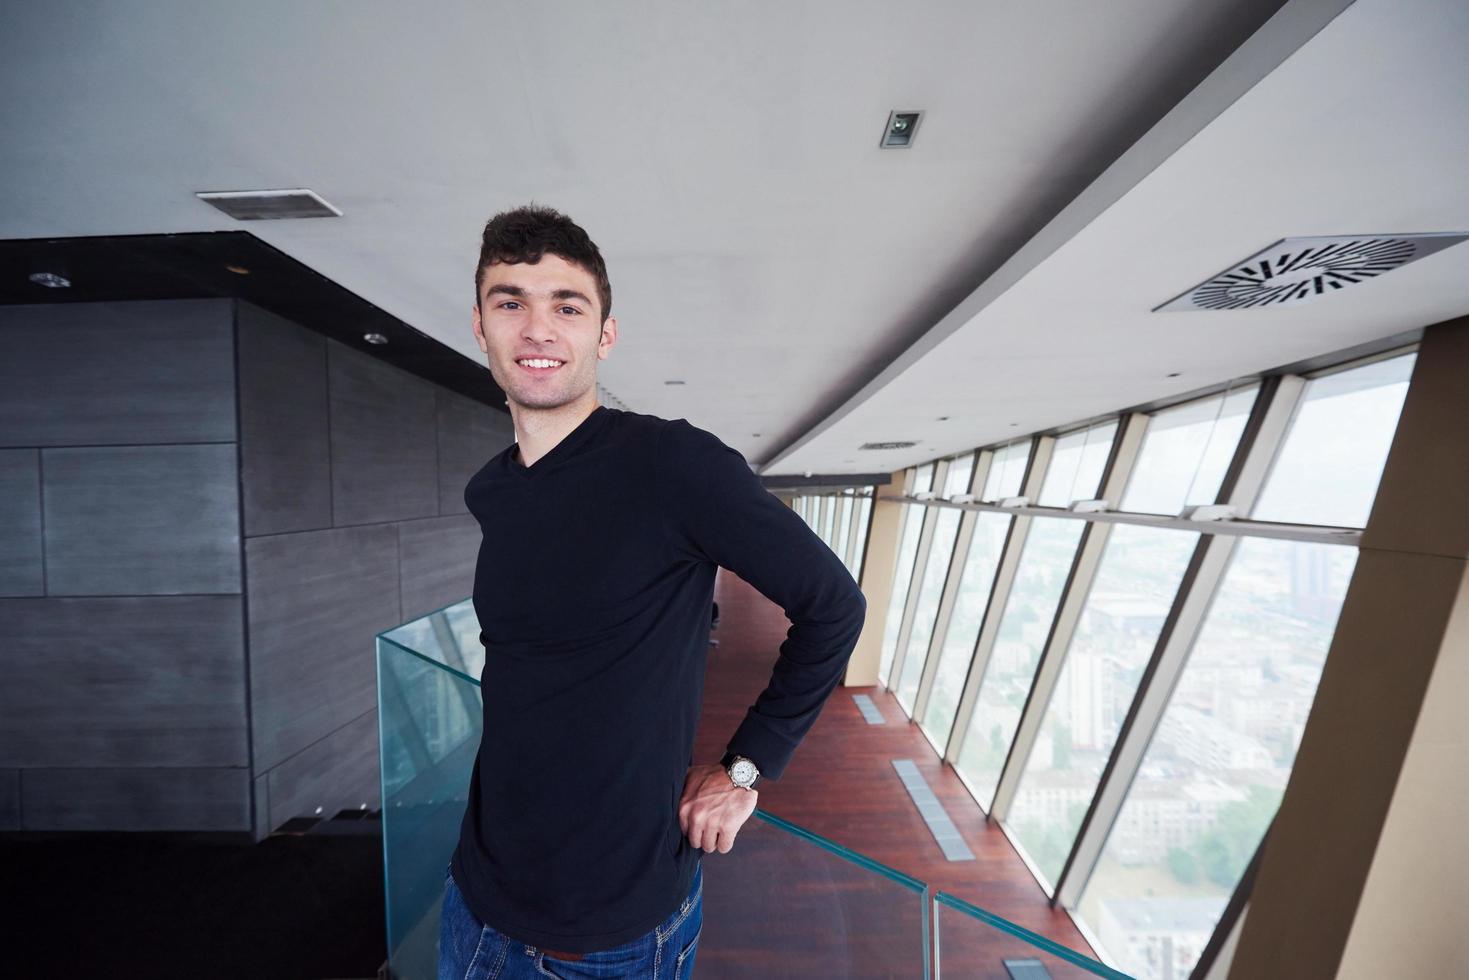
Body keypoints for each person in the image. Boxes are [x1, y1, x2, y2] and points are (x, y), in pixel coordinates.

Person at [438, 205, 868, 979]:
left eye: (566, 307)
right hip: (474, 897)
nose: (538, 329)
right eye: (511, 303)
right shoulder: (491, 491)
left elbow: (834, 606)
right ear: (480, 326)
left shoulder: (671, 464)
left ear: (604, 335)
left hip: (604, 937)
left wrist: (745, 770)